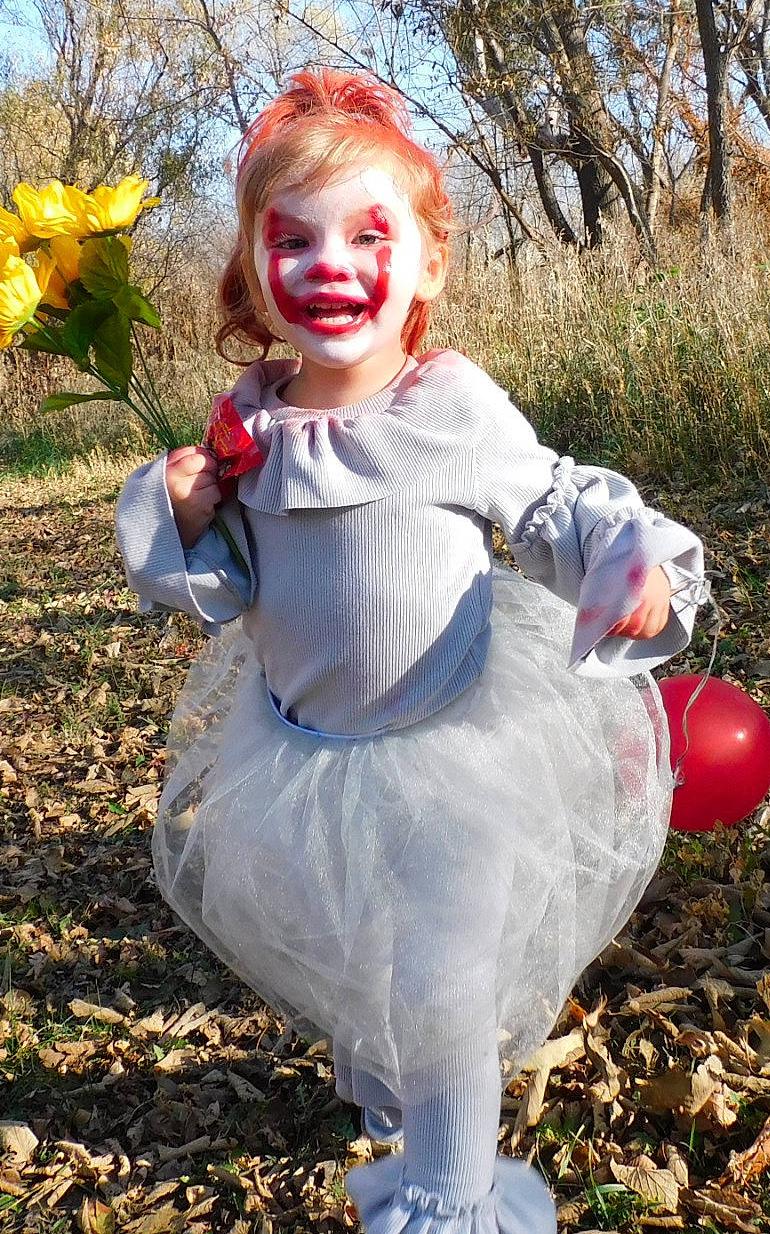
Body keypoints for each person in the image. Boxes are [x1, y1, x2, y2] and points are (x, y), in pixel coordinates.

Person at [115, 69, 707, 1234]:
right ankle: (386, 1078)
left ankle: (452, 1193)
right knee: (349, 937)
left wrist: (622, 559)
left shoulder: (449, 408)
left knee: (442, 982)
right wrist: (181, 514)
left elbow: (549, 503)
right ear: (249, 272)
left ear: (427, 264)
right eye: (291, 240)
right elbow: (226, 590)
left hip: (454, 746)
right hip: (299, 749)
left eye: (367, 234)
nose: (329, 263)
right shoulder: (251, 423)